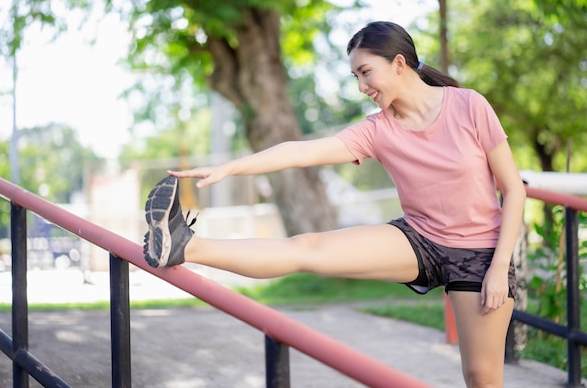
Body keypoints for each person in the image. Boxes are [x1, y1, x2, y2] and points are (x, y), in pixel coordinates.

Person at [142, 21, 526, 388]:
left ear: (398, 63)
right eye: (355, 77)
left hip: (481, 253)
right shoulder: (377, 130)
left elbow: (514, 190)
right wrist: (229, 168)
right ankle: (186, 245)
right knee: (307, 248)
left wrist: (499, 266)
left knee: (482, 379)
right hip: (420, 239)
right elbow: (300, 151)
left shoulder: (469, 106)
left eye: (365, 72)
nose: (361, 87)